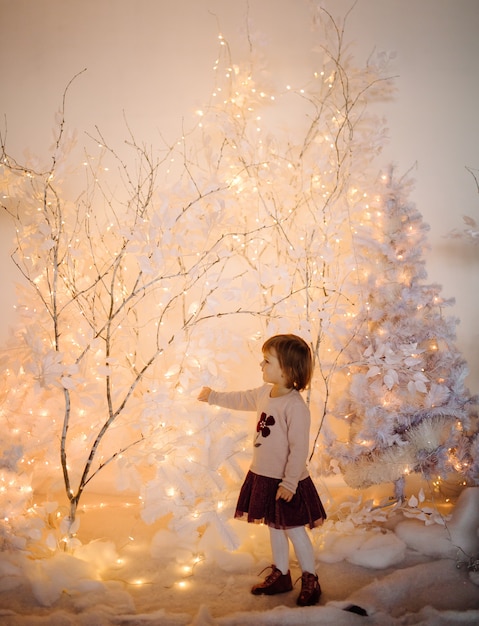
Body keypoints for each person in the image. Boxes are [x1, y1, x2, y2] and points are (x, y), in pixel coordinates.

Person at [197, 333, 326, 606]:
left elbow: (298, 449)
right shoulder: (263, 393)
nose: (261, 365)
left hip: (287, 482)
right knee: (275, 528)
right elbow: (242, 399)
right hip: (264, 476)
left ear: (288, 370)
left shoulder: (295, 407)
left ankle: (311, 578)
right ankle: (281, 574)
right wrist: (213, 397)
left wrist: (290, 483)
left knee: (293, 529)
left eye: (267, 361)